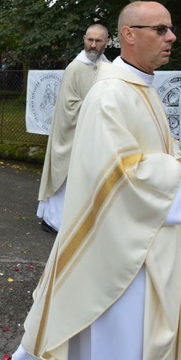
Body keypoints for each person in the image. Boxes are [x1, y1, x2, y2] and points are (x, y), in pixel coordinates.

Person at [7, 1, 181, 360]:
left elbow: (151, 146)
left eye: (170, 29)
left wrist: (179, 160)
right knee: (120, 345)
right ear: (129, 34)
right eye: (160, 29)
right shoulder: (110, 92)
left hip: (143, 237)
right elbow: (116, 173)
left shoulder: (140, 85)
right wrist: (176, 170)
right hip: (119, 253)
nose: (171, 37)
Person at [36, 24, 110, 234]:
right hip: (72, 133)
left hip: (95, 134)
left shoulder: (109, 67)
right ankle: (54, 221)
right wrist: (98, 107)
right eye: (89, 40)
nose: (93, 45)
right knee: (66, 177)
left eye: (98, 41)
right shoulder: (75, 68)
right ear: (84, 39)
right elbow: (68, 106)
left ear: (107, 42)